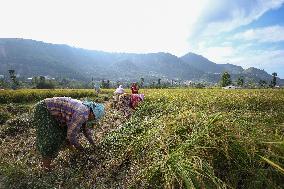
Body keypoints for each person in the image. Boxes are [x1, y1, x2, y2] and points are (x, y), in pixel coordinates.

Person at [33, 97, 104, 171]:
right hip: (45, 109)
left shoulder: (86, 110)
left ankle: (73, 153)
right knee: (51, 138)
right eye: (94, 118)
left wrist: (93, 144)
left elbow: (85, 130)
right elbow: (71, 136)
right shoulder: (82, 114)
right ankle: (46, 167)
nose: (93, 120)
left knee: (64, 132)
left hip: (54, 111)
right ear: (92, 113)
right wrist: (80, 148)